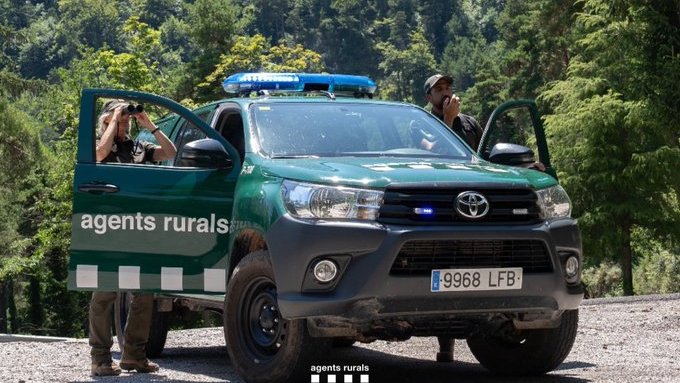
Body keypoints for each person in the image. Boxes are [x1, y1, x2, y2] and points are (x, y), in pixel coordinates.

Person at [89, 100, 176, 376]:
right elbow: (100, 154)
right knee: (105, 293)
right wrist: (114, 120)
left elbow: (170, 152)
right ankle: (100, 359)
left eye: (127, 121)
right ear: (105, 122)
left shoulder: (138, 147)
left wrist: (149, 125)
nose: (124, 125)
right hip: (107, 227)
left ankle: (134, 356)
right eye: (119, 120)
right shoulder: (95, 143)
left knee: (144, 291)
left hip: (138, 226)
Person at [423, 74, 483, 150]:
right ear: (429, 98)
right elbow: (432, 151)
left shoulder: (470, 122)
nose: (445, 92)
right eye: (439, 89)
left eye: (447, 88)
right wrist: (448, 119)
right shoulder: (421, 124)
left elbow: (484, 155)